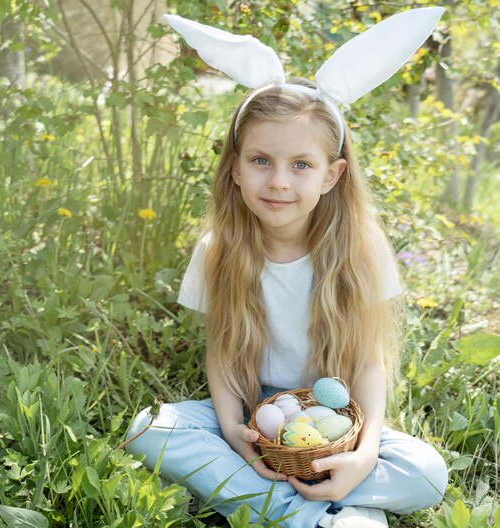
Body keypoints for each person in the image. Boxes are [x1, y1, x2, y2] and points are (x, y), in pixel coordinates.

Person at [125, 10, 449, 528]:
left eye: (301, 164)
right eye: (260, 161)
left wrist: (363, 454)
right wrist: (235, 431)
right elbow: (222, 356)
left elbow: (368, 364)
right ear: (234, 167)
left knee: (428, 473)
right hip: (259, 416)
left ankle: (313, 489)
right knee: (149, 429)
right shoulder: (218, 248)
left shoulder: (360, 248)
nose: (278, 181)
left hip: (339, 417)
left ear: (331, 175)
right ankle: (313, 515)